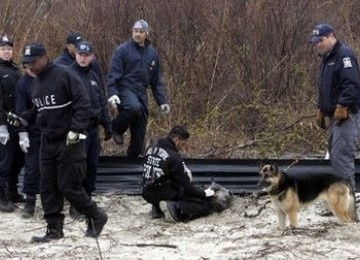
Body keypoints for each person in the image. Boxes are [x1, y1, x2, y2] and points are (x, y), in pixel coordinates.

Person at [18, 42, 107, 242]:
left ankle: (96, 216)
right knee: (47, 187)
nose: (29, 67)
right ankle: (54, 230)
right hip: (47, 141)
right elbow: (39, 108)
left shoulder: (65, 74)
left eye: (32, 62)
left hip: (69, 139)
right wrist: (24, 118)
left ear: (44, 58)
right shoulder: (36, 82)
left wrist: (76, 130)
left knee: (68, 186)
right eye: (25, 64)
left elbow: (83, 103)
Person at [107, 19, 170, 158]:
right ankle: (116, 128)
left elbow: (156, 80)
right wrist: (112, 93)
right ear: (132, 32)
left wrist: (162, 101)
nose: (138, 34)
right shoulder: (122, 50)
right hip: (125, 88)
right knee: (133, 108)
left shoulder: (152, 54)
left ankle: (133, 158)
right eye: (135, 31)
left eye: (141, 32)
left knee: (140, 126)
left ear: (146, 33)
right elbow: (113, 74)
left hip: (141, 91)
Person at [311, 24, 360, 195]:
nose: (318, 44)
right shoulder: (326, 58)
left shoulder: (344, 55)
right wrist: (321, 108)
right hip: (333, 117)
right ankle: (338, 198)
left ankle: (348, 202)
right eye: (316, 42)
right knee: (334, 154)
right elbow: (325, 87)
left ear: (331, 36)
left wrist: (342, 105)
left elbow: (352, 85)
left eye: (321, 40)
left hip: (347, 116)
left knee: (342, 157)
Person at [70, 41, 113, 218]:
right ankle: (75, 204)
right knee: (75, 166)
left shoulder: (94, 76)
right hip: (75, 128)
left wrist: (107, 124)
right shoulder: (68, 75)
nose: (83, 57)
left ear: (92, 57)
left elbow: (101, 102)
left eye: (86, 55)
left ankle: (86, 199)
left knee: (91, 165)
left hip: (93, 128)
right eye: (80, 54)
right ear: (76, 54)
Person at [142, 125, 215, 222]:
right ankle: (173, 207)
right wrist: (204, 193)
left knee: (163, 181)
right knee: (204, 207)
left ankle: (157, 207)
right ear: (177, 140)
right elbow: (187, 188)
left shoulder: (151, 149)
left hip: (146, 192)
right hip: (162, 193)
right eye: (183, 144)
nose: (183, 147)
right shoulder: (174, 157)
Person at [0, 35, 25, 213]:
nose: (7, 51)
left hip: (18, 121)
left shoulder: (16, 70)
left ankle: (13, 190)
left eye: (9, 49)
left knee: (18, 158)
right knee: (5, 161)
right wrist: (1, 126)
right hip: (4, 123)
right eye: (3, 48)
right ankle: (1, 197)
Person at [15, 66, 40, 218]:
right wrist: (22, 133)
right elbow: (20, 111)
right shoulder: (22, 84)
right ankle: (30, 202)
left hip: (52, 130)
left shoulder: (48, 79)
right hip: (33, 132)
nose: (32, 68)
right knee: (32, 167)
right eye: (28, 65)